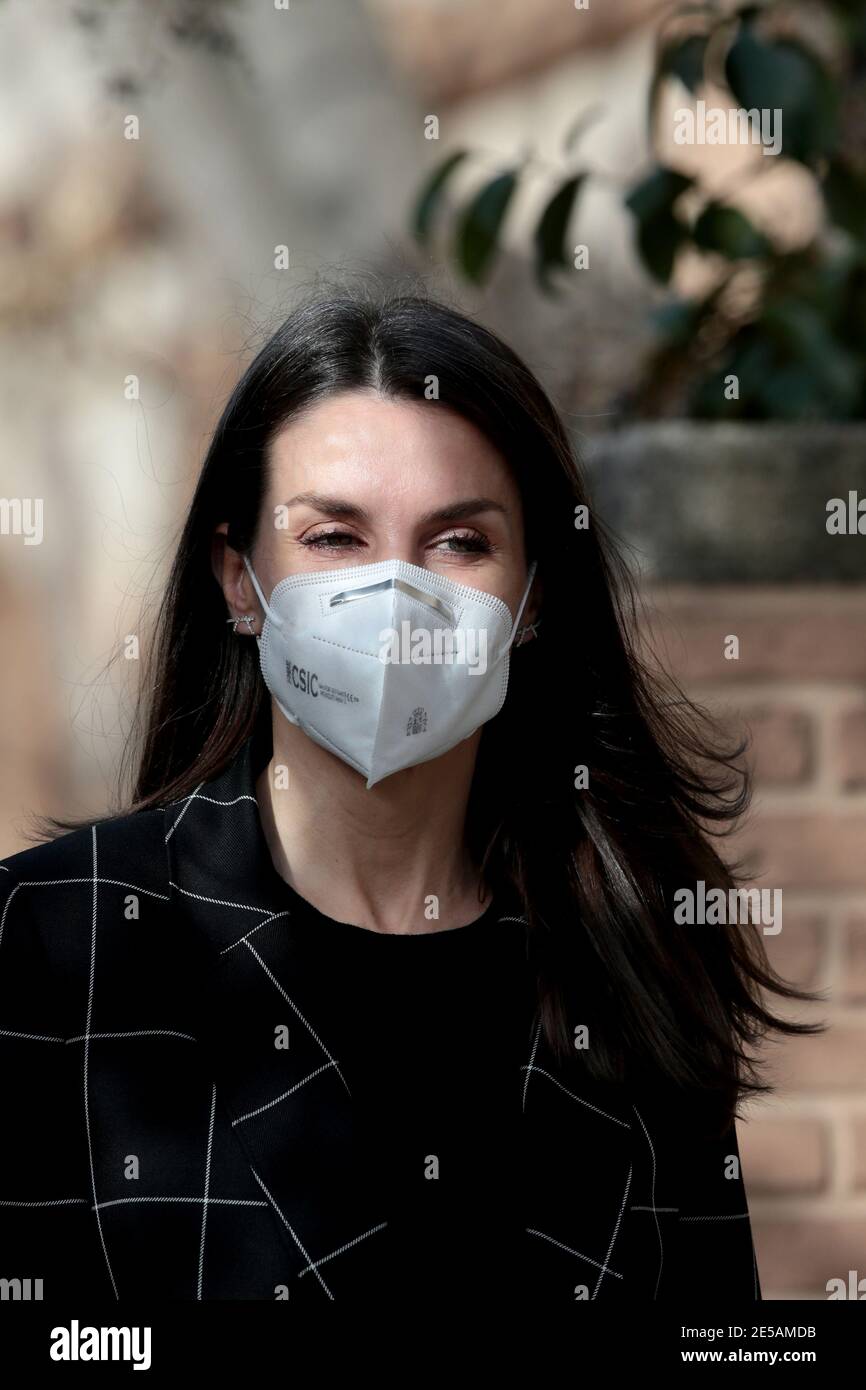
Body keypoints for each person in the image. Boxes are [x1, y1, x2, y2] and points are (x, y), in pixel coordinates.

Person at [0, 288, 823, 1305]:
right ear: (238, 578)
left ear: (532, 600)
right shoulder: (50, 941)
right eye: (334, 536)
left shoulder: (633, 953)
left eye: (459, 541)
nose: (397, 599)